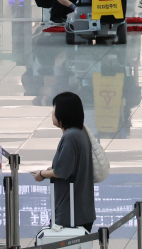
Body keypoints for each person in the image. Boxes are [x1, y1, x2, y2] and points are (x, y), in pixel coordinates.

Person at [32, 92, 95, 233]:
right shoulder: (80, 132)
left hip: (71, 212)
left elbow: (62, 172)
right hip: (82, 209)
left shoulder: (70, 137)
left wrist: (42, 174)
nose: (52, 114)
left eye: (54, 110)